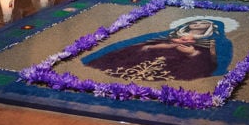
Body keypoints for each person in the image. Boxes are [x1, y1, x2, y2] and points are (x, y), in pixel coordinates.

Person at [81, 18, 233, 81]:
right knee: (134, 53)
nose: (197, 26)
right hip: (156, 51)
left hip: (182, 60)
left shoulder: (217, 41)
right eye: (195, 23)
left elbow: (215, 60)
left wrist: (194, 53)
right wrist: (152, 46)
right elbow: (146, 42)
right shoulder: (171, 35)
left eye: (202, 26)